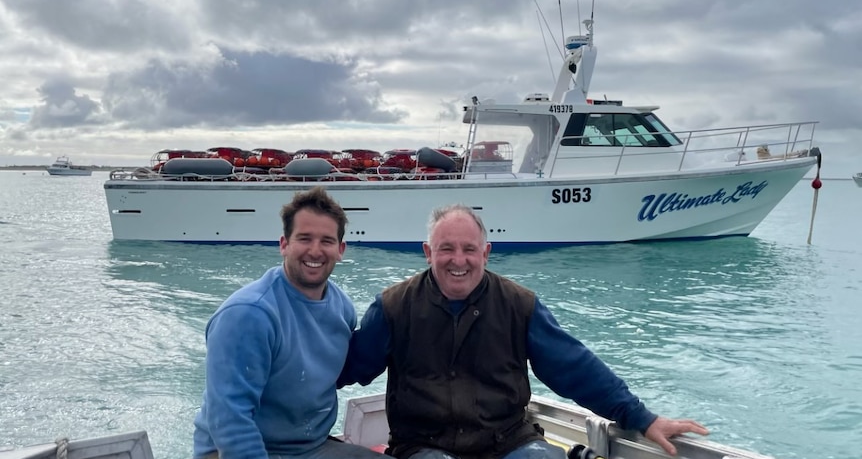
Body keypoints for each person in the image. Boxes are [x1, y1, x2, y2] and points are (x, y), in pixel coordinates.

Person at [339, 204, 709, 459]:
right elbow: (350, 367)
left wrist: (642, 418)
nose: (458, 260)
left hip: (508, 440)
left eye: (469, 249)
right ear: (427, 252)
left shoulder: (519, 305)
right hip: (423, 444)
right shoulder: (392, 307)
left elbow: (575, 369)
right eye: (445, 248)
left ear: (486, 253)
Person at [193, 187, 380, 459]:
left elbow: (329, 375)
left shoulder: (343, 308)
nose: (315, 251)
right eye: (304, 238)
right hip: (231, 450)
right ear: (284, 244)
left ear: (340, 250)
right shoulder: (248, 315)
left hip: (310, 447)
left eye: (326, 241)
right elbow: (230, 421)